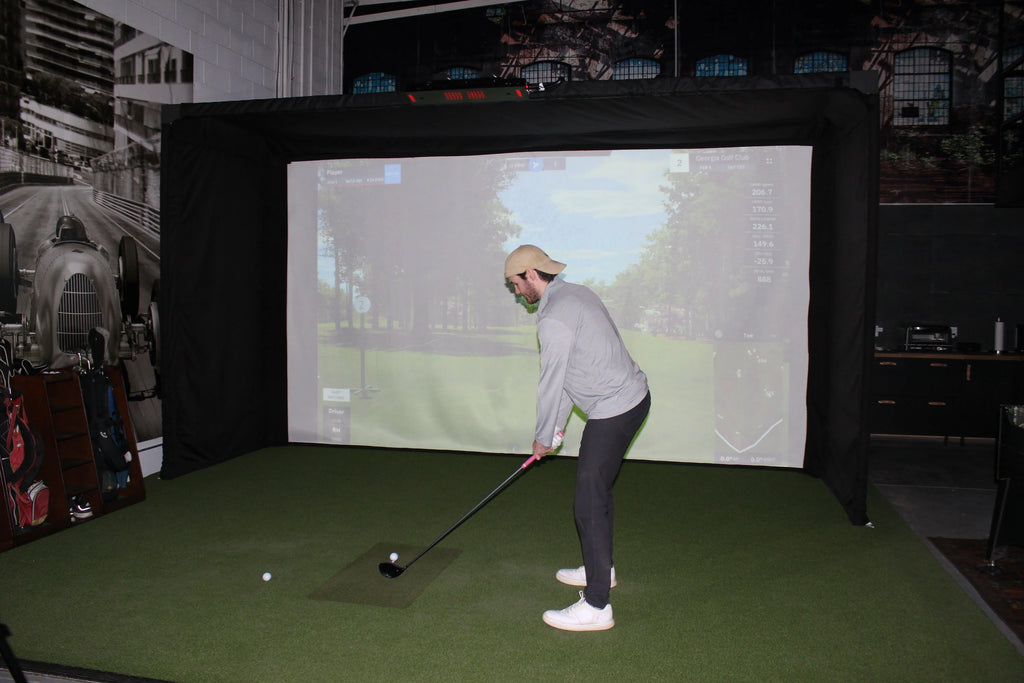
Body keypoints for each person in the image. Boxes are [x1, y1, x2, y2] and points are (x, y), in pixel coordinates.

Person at [504, 244, 651, 632]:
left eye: (516, 284)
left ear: (532, 274)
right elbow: (572, 375)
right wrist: (554, 431)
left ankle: (598, 605)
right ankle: (601, 568)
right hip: (627, 398)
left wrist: (541, 437)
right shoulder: (575, 293)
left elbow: (552, 381)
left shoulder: (553, 318)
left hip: (615, 407)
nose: (517, 292)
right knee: (597, 490)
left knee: (588, 497)